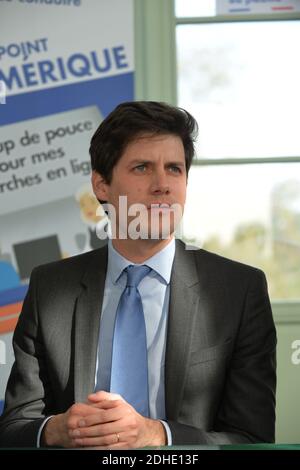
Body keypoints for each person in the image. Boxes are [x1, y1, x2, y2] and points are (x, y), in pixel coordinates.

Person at [0, 101, 276, 448]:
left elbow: (253, 439)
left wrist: (156, 434)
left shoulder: (239, 291)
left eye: (174, 169)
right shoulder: (50, 289)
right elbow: (13, 429)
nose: (162, 184)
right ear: (101, 186)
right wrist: (59, 429)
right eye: (143, 167)